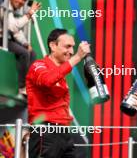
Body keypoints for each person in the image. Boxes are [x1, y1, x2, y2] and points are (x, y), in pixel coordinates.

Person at [26, 28, 90, 157]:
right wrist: (78, 57)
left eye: (73, 47)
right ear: (53, 46)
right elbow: (47, 80)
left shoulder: (61, 73)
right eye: (67, 46)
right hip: (45, 130)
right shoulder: (38, 66)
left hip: (64, 131)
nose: (72, 51)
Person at [0, 0, 41, 95]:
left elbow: (16, 32)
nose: (20, 1)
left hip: (6, 38)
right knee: (24, 53)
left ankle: (30, 86)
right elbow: (12, 27)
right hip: (1, 39)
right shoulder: (4, 7)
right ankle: (22, 87)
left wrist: (25, 43)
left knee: (32, 53)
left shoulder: (13, 10)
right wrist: (29, 14)